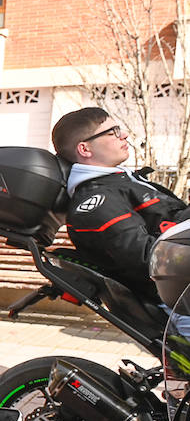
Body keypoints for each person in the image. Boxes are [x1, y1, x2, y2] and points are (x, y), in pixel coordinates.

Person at [52, 106, 189, 300]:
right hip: (178, 300)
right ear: (85, 149)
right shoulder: (96, 203)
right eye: (113, 132)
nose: (124, 135)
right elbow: (149, 258)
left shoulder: (120, 183)